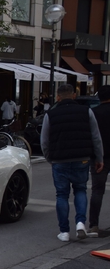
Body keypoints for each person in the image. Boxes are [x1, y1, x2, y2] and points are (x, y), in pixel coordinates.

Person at [40, 83, 104, 242]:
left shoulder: (50, 115)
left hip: (60, 160)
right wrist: (99, 158)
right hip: (81, 158)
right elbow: (96, 137)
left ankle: (64, 231)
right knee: (81, 190)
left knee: (62, 195)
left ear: (57, 97)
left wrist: (50, 158)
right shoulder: (86, 111)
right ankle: (81, 223)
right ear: (74, 95)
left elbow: (44, 141)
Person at [88, 85, 110, 236]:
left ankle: (94, 225)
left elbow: (91, 137)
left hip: (99, 156)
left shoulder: (93, 113)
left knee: (97, 190)